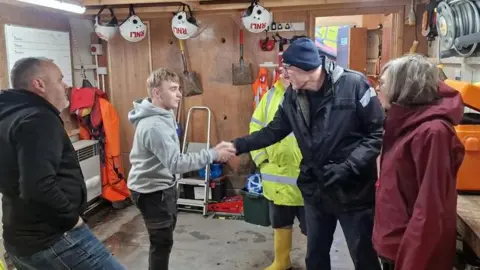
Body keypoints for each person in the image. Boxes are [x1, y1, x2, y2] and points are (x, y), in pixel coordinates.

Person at [231, 37, 384, 270]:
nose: (285, 74)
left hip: (353, 192)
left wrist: (348, 167)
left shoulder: (354, 85)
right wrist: (237, 146)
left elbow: (376, 134)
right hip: (316, 189)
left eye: (288, 69)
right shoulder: (292, 97)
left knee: (363, 256)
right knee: (315, 256)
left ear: (304, 68)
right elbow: (273, 131)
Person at [0, 57, 125, 269]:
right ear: (39, 84)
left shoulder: (8, 115)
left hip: (19, 237)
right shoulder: (38, 118)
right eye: (60, 80)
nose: (66, 86)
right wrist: (72, 220)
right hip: (54, 239)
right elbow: (37, 186)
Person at [127, 68, 236, 270]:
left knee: (164, 240)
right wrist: (212, 154)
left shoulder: (163, 114)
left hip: (160, 186)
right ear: (157, 93)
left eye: (179, 89)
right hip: (151, 191)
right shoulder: (154, 126)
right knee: (161, 244)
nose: (179, 94)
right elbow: (176, 163)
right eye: (173, 89)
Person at [372, 54, 465, 270]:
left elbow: (430, 210)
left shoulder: (432, 133)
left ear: (404, 87)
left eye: (383, 83)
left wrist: (411, 262)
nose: (377, 88)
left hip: (412, 255)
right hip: (394, 247)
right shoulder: (402, 125)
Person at [249, 75, 306, 270]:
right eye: (286, 67)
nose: (288, 73)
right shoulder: (270, 96)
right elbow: (255, 127)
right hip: (277, 177)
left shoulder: (313, 94)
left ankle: (316, 262)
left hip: (307, 179)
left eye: (293, 68)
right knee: (281, 222)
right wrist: (261, 159)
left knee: (315, 228)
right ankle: (281, 262)